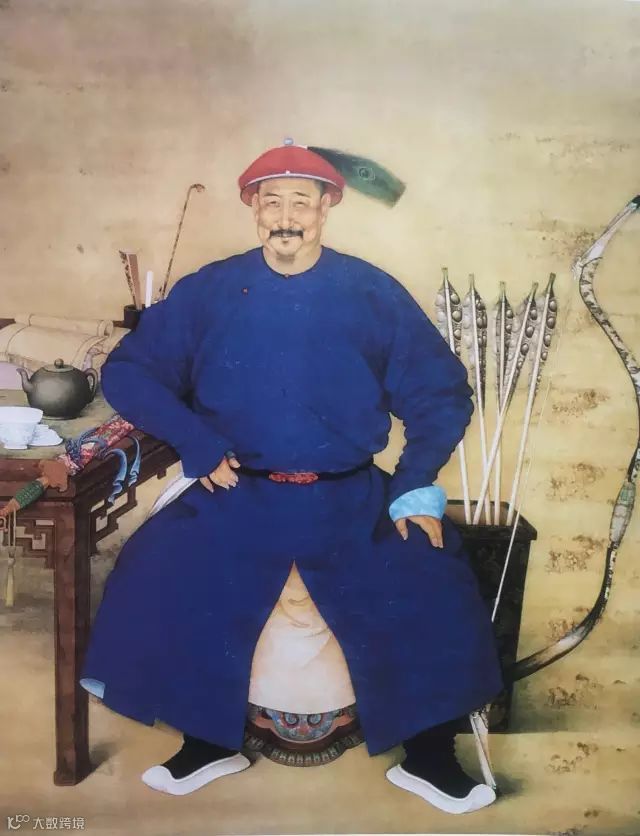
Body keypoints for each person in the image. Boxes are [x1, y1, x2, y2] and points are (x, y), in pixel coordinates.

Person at [80, 140, 503, 815]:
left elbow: (441, 393)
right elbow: (129, 371)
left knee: (431, 572)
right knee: (158, 564)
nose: (285, 217)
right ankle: (208, 741)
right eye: (271, 201)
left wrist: (413, 483)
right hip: (236, 491)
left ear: (326, 208)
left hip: (350, 495)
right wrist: (196, 439)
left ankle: (429, 757)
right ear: (253, 208)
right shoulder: (211, 290)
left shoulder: (370, 291)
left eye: (301, 202)